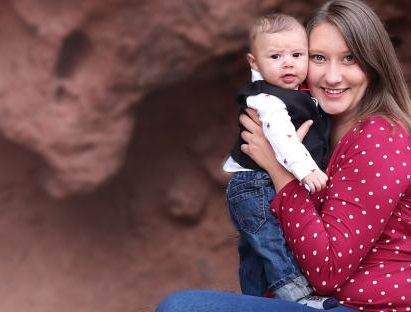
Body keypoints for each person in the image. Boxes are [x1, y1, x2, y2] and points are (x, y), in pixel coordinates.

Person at [155, 0, 411, 311]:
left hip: (369, 307)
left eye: (349, 59)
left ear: (374, 65)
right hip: (320, 303)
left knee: (183, 308)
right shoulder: (318, 129)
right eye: (318, 58)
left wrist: (279, 170)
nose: (332, 77)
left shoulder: (379, 135)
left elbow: (327, 272)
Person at [223, 14, 337, 309]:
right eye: (275, 56)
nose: (288, 63)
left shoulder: (297, 93)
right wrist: (306, 169)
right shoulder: (268, 100)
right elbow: (280, 135)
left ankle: (256, 299)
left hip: (254, 184)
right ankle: (297, 296)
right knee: (271, 243)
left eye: (297, 55)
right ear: (254, 63)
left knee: (254, 249)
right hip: (256, 184)